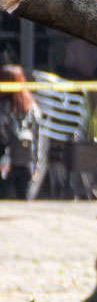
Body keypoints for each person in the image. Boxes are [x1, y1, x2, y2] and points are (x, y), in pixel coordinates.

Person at [0, 64, 40, 200]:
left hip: (5, 163)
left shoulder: (3, 107)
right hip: (25, 160)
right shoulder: (32, 107)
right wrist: (36, 165)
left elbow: (3, 136)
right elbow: (37, 138)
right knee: (23, 203)